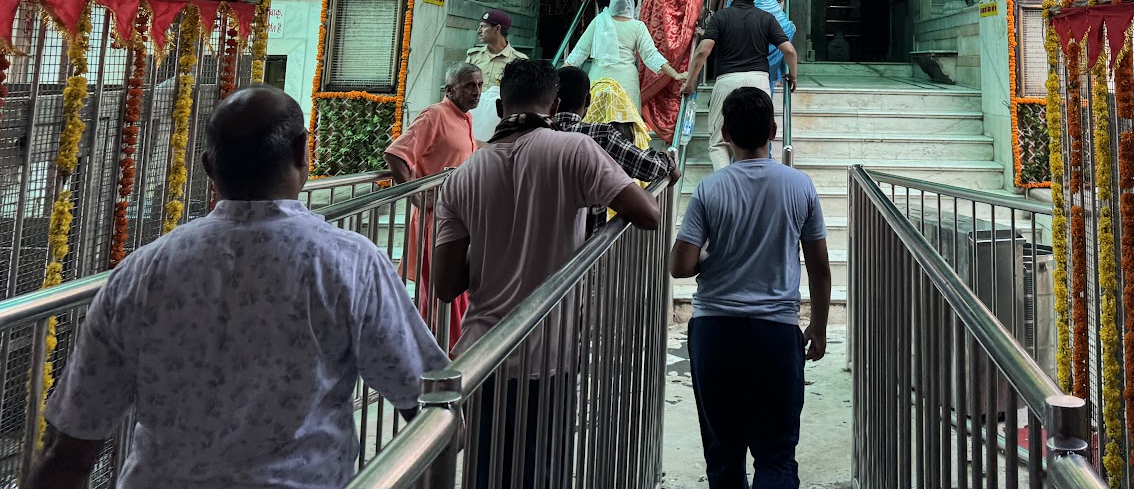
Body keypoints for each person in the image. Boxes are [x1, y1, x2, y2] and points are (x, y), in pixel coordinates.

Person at [29, 88, 446, 489]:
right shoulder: (349, 264)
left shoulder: (140, 272)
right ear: (303, 152)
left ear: (210, 168)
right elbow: (427, 398)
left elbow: (71, 451)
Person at [433, 59, 661, 488]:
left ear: (500, 107)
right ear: (555, 106)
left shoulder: (462, 177)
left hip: (482, 355)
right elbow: (647, 213)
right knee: (543, 470)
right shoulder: (573, 151)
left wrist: (493, 244)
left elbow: (446, 286)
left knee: (486, 472)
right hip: (548, 351)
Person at [671, 87, 830, 489]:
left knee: (724, 456)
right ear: (774, 130)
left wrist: (712, 255)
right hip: (776, 332)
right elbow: (819, 268)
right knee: (776, 455)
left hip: (715, 331)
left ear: (725, 132)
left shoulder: (710, 189)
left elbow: (680, 265)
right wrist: (819, 326)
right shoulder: (800, 186)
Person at [384, 61, 481, 349]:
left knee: (454, 294)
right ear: (449, 89)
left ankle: (449, 359)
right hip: (435, 220)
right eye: (468, 86)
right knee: (440, 294)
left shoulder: (464, 118)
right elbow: (396, 155)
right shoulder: (434, 115)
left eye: (479, 84)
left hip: (458, 218)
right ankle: (439, 362)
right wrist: (418, 197)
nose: (476, 91)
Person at [683, 0, 798, 171]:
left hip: (727, 80)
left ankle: (727, 188)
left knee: (719, 143)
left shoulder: (721, 17)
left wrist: (690, 83)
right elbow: (789, 51)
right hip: (759, 82)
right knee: (758, 140)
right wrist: (792, 76)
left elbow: (702, 51)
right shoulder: (766, 18)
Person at [552, 65, 675, 186]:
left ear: (553, 100)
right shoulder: (600, 135)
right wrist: (668, 162)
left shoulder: (537, 132)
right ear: (589, 100)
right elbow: (651, 166)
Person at [565, 0, 685, 109]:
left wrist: (559, 73)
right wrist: (675, 74)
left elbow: (580, 51)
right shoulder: (637, 26)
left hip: (599, 80)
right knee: (625, 122)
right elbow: (651, 55)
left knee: (597, 122)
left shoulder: (599, 21)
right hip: (626, 83)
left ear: (612, 2)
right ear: (632, 4)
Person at [639, 0, 707, 141]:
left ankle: (649, 119)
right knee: (675, 85)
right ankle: (674, 127)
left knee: (657, 75)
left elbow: (646, 11)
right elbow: (696, 11)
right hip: (683, 47)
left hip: (656, 42)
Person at [465, 8, 528, 142]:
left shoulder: (518, 61)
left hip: (500, 127)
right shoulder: (473, 57)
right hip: (472, 122)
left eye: (483, 27)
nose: (478, 31)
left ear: (497, 28)